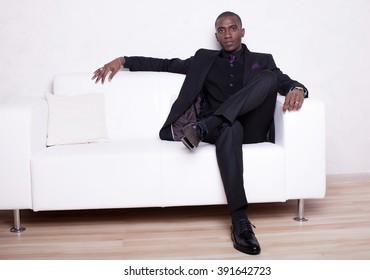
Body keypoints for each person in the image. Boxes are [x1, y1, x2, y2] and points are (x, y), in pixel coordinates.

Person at [92, 11, 307, 255]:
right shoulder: (204, 59)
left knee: (268, 77)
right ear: (216, 35)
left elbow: (282, 81)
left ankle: (207, 124)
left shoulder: (262, 59)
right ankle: (240, 222)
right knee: (230, 127)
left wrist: (298, 88)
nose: (227, 34)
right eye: (222, 30)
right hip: (223, 133)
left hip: (247, 128)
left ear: (243, 31)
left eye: (233, 28)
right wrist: (123, 60)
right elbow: (165, 63)